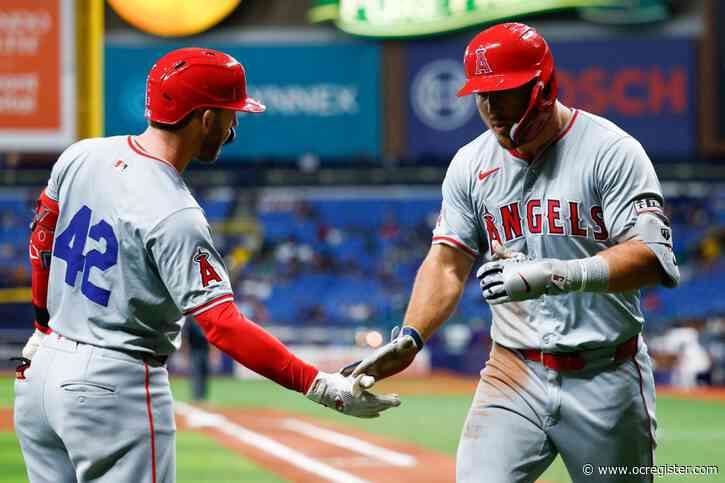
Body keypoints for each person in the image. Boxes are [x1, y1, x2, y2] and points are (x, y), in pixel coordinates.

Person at [14, 48, 397, 483]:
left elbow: (41, 235)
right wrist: (320, 386)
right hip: (112, 385)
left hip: (41, 373)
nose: (234, 126)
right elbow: (223, 326)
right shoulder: (175, 211)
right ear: (207, 118)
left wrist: (43, 325)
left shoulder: (82, 155)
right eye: (231, 114)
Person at [346, 23, 679, 482]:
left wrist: (555, 274)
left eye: (502, 93)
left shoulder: (613, 151)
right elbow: (446, 262)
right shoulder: (471, 162)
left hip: (607, 374)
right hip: (513, 372)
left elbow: (652, 257)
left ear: (542, 87)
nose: (489, 108)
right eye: (481, 94)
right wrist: (411, 337)